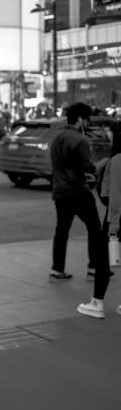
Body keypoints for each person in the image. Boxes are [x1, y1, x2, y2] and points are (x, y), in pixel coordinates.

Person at [49, 102, 109, 283]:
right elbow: (89, 167)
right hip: (77, 191)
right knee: (95, 228)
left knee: (61, 231)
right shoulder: (80, 140)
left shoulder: (57, 138)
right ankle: (94, 267)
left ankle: (57, 269)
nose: (87, 123)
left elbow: (66, 165)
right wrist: (104, 162)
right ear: (81, 119)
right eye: (87, 119)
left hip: (60, 191)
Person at [77, 124, 121, 318]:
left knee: (103, 260)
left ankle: (97, 303)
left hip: (117, 219)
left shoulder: (117, 161)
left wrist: (113, 225)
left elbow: (110, 197)